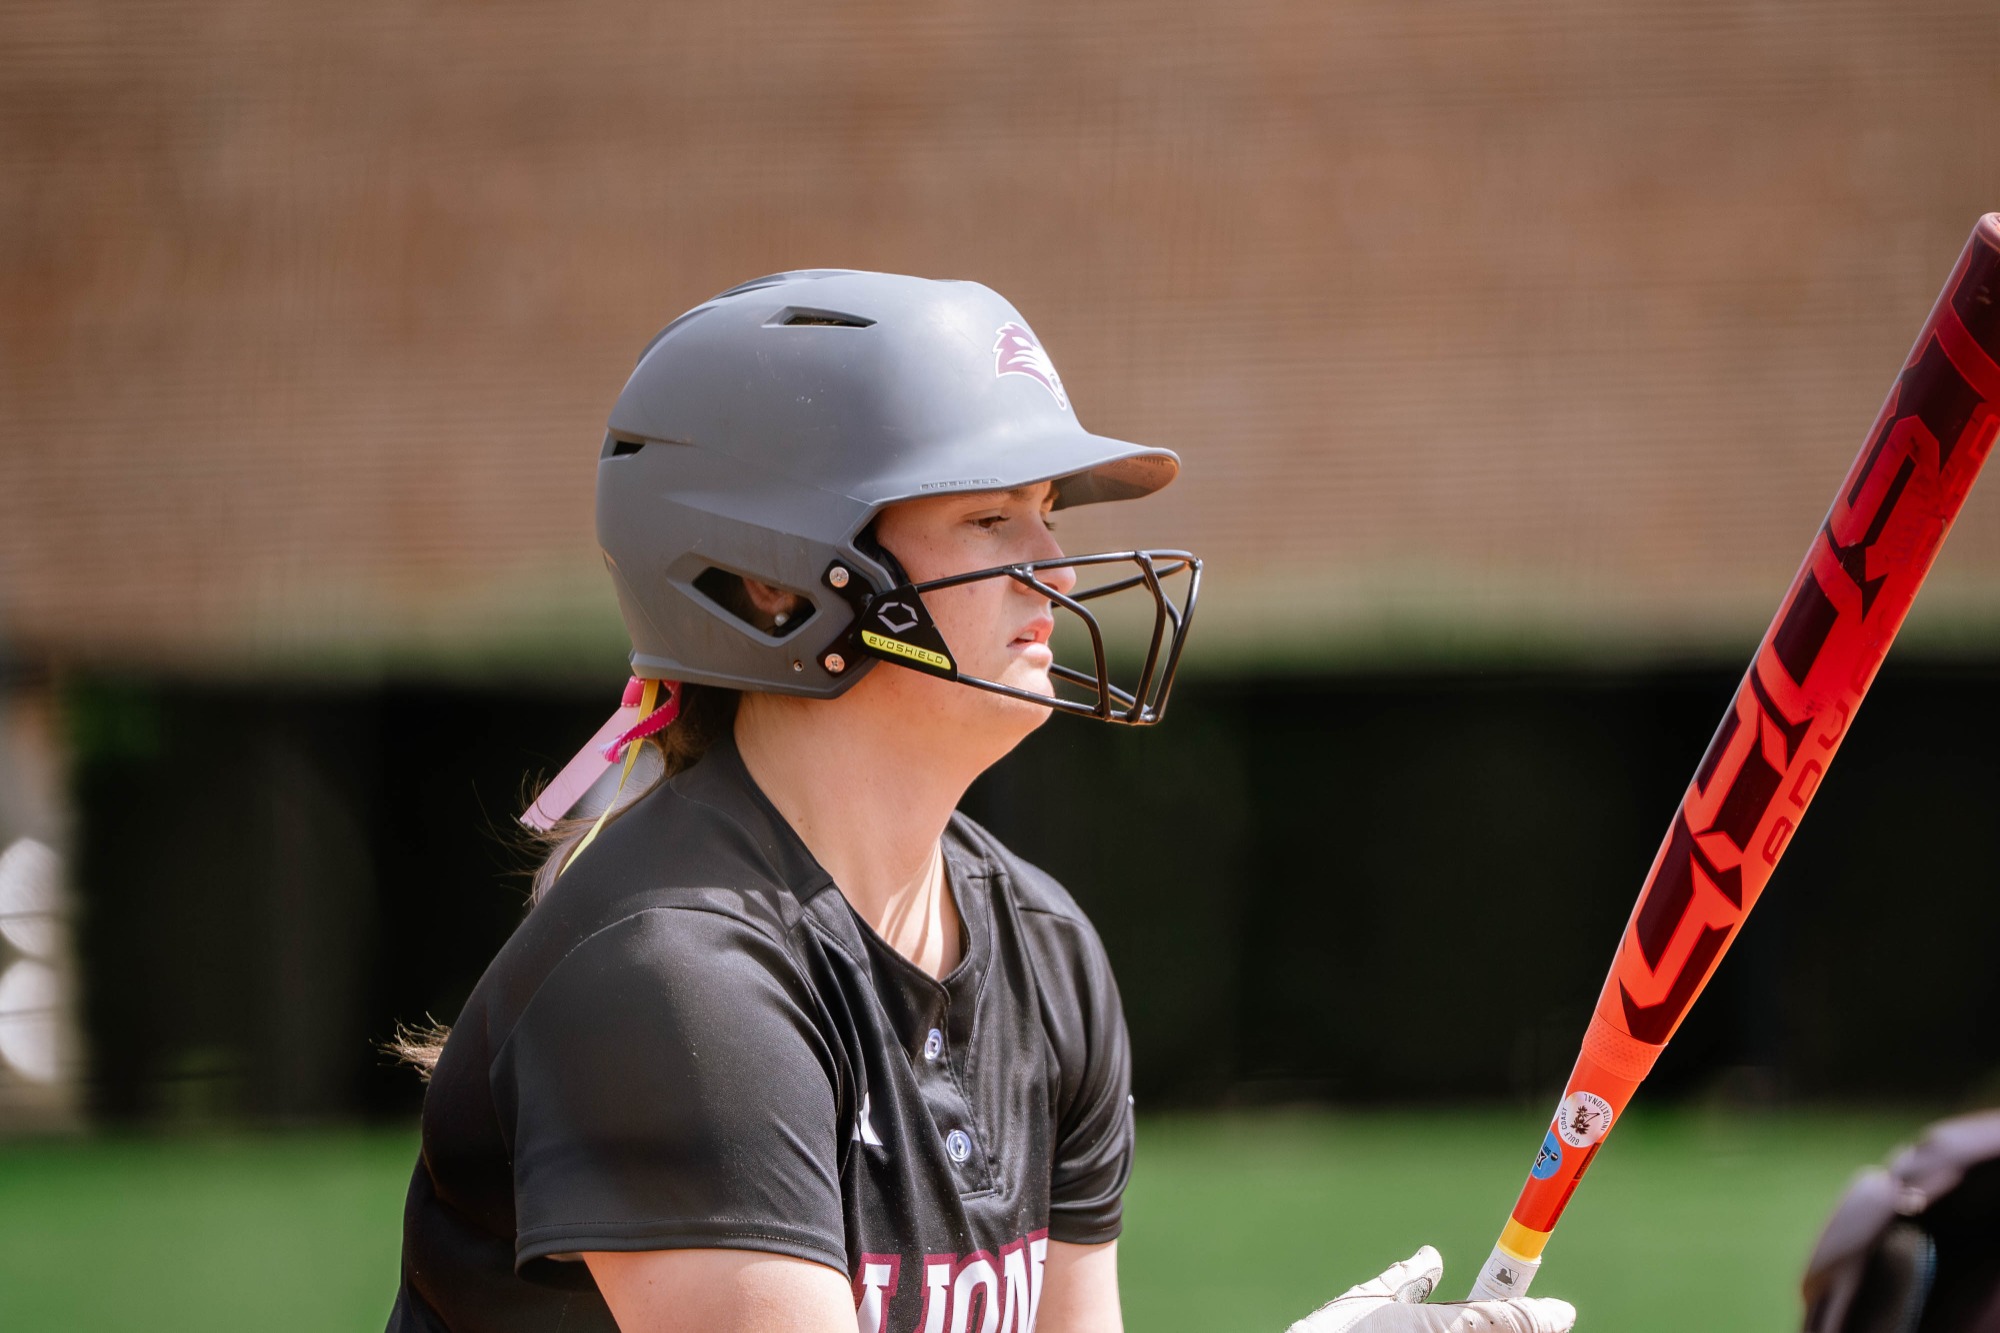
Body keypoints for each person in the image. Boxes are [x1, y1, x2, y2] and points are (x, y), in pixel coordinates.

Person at [385, 270, 1578, 1333]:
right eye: (989, 517)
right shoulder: (674, 979)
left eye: (1046, 511)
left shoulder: (1041, 948)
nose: (1053, 570)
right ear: (771, 579)